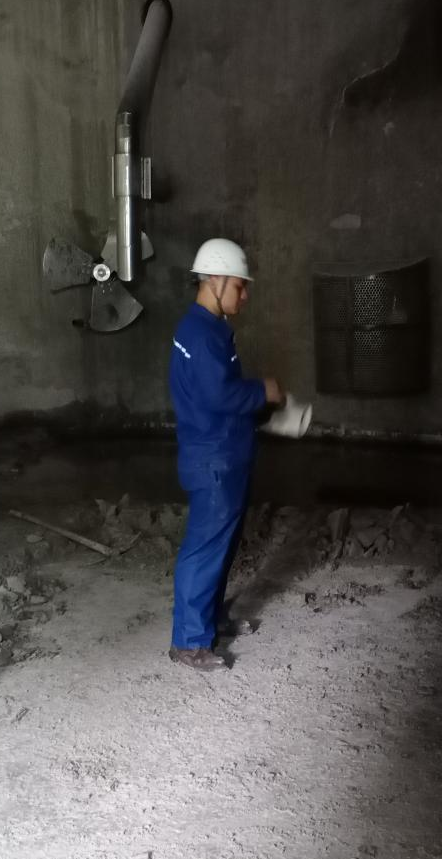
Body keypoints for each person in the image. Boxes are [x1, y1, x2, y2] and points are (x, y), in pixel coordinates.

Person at [167, 238, 283, 671]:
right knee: (204, 550)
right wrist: (262, 391)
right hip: (213, 459)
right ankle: (189, 642)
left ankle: (211, 621)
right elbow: (219, 394)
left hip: (223, 453)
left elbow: (213, 394)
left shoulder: (207, 329)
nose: (245, 295)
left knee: (220, 547)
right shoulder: (200, 335)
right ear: (214, 280)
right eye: (239, 285)